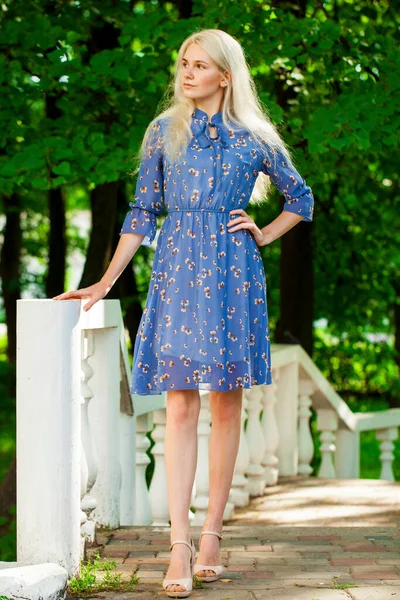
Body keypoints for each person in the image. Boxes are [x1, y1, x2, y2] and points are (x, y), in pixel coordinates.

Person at [52, 28, 314, 599]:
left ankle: (214, 535)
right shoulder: (160, 133)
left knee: (226, 406)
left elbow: (302, 198)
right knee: (177, 404)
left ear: (226, 75)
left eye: (200, 66)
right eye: (183, 64)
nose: (187, 73)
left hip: (235, 273)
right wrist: (102, 282)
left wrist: (263, 234)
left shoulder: (254, 138)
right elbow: (142, 212)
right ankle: (179, 545)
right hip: (176, 270)